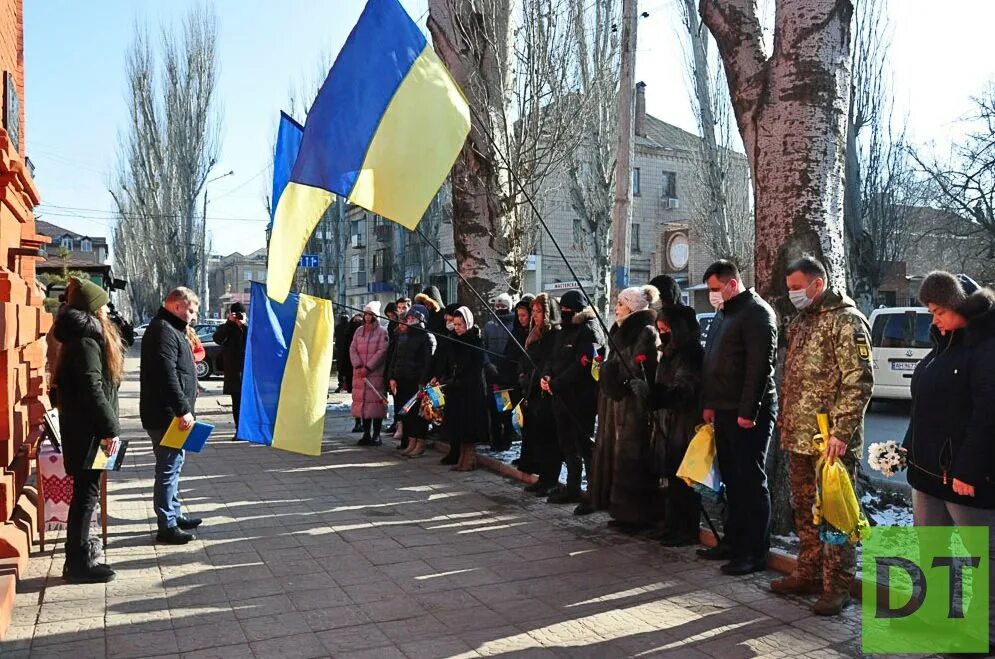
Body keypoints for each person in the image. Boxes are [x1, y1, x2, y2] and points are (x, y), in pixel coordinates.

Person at [768, 256, 875, 614]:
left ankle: (837, 586)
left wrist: (842, 432)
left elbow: (858, 381)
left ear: (818, 283)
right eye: (790, 288)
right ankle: (808, 572)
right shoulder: (801, 322)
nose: (793, 293)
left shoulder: (846, 321)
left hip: (832, 441)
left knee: (836, 515)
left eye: (797, 287)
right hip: (800, 436)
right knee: (805, 511)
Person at [904, 271, 995, 650]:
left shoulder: (985, 347)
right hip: (927, 473)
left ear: (962, 307)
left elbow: (987, 413)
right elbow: (924, 404)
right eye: (930, 311)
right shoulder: (942, 343)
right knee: (933, 549)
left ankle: (983, 633)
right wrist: (909, 447)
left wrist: (968, 469)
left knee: (983, 557)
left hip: (963, 477)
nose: (933, 319)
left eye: (940, 310)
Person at [700, 259, 777, 575]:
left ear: (733, 283)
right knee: (730, 479)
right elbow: (712, 362)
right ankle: (733, 541)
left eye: (716, 289)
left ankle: (754, 551)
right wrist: (709, 403)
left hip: (749, 413)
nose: (713, 296)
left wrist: (748, 412)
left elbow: (758, 368)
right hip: (723, 409)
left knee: (749, 481)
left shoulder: (757, 313)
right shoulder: (724, 314)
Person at [52, 277, 123, 582]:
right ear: (94, 309)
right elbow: (93, 389)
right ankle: (78, 563)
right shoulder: (86, 341)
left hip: (83, 429)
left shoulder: (82, 337)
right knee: (86, 495)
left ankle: (79, 558)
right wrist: (110, 429)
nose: (108, 309)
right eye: (104, 304)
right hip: (89, 432)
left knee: (86, 493)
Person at [591, 285, 661, 532]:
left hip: (633, 406)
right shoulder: (619, 329)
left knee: (632, 457)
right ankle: (619, 510)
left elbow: (639, 367)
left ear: (631, 307)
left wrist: (616, 376)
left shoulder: (645, 332)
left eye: (620, 304)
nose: (616, 308)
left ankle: (635, 515)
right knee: (617, 455)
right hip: (615, 403)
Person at [140, 287, 202, 545]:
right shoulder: (163, 330)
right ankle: (166, 524)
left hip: (172, 415)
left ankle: (174, 514)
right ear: (176, 306)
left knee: (175, 465)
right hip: (166, 415)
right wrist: (182, 409)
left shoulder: (171, 328)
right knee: (167, 468)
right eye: (190, 310)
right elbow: (167, 374)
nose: (193, 316)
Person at [645, 303, 704, 547]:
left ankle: (686, 529)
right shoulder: (668, 353)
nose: (662, 332)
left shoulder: (691, 354)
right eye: (660, 328)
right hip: (666, 422)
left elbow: (684, 391)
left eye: (666, 328)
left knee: (683, 480)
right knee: (669, 476)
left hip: (684, 423)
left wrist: (654, 394)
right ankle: (670, 524)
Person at [542, 290, 603, 507]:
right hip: (560, 397)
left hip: (580, 399)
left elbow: (582, 366)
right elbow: (552, 357)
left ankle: (592, 491)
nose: (565, 313)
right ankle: (573, 486)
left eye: (569, 310)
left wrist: (556, 383)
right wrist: (547, 376)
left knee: (583, 445)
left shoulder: (588, 331)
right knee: (566, 444)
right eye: (563, 309)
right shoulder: (563, 330)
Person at [518, 293, 562, 496]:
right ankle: (543, 478)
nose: (535, 315)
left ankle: (550, 479)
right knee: (537, 438)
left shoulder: (554, 335)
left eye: (539, 311)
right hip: (531, 392)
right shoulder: (533, 334)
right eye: (533, 311)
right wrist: (523, 375)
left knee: (548, 439)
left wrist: (539, 376)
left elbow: (549, 362)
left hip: (546, 393)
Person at [436, 306, 488, 471]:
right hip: (455, 390)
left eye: (460, 324)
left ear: (468, 324)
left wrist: (456, 380)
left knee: (468, 426)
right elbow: (449, 363)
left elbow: (474, 369)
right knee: (457, 425)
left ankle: (469, 458)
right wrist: (447, 379)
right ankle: (461, 457)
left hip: (469, 391)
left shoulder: (475, 341)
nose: (457, 328)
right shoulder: (453, 340)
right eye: (455, 324)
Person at [387, 304, 437, 457]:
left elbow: (429, 363)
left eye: (413, 317)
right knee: (406, 415)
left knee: (418, 415)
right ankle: (411, 441)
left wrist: (423, 382)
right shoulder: (403, 335)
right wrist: (392, 377)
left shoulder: (427, 336)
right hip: (402, 380)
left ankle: (420, 443)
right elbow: (395, 358)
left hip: (416, 382)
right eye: (408, 317)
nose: (409, 320)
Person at [350, 301, 390, 446]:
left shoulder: (382, 332)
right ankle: (366, 434)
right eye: (366, 314)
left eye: (370, 314)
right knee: (364, 406)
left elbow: (382, 351)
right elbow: (352, 348)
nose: (367, 317)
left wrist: (368, 367)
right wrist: (358, 365)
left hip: (375, 374)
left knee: (376, 405)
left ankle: (377, 435)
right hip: (360, 374)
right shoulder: (359, 331)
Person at [483, 293, 517, 451]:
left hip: (505, 375)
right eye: (497, 306)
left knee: (505, 408)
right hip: (491, 374)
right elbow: (484, 347)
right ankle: (494, 440)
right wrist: (488, 363)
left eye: (502, 306)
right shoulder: (490, 325)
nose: (499, 309)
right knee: (492, 409)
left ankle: (506, 440)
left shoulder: (513, 325)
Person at [212, 302, 248, 436]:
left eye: (240, 314)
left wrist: (244, 325)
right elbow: (218, 338)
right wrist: (229, 323)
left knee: (248, 403)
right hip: (233, 373)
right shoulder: (225, 328)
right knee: (237, 403)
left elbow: (255, 340)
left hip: (247, 372)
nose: (238, 317)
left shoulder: (249, 328)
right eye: (235, 314)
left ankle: (248, 430)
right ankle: (239, 430)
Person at [342, 313, 364, 432]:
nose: (357, 323)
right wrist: (344, 376)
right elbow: (345, 355)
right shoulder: (348, 335)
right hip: (352, 371)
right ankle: (358, 421)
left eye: (359, 321)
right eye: (355, 321)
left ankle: (363, 422)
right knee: (356, 398)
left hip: (365, 370)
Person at [334, 313, 351, 393]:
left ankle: (343, 384)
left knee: (343, 369)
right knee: (343, 369)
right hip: (344, 351)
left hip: (344, 351)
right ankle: (343, 384)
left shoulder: (340, 327)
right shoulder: (347, 326)